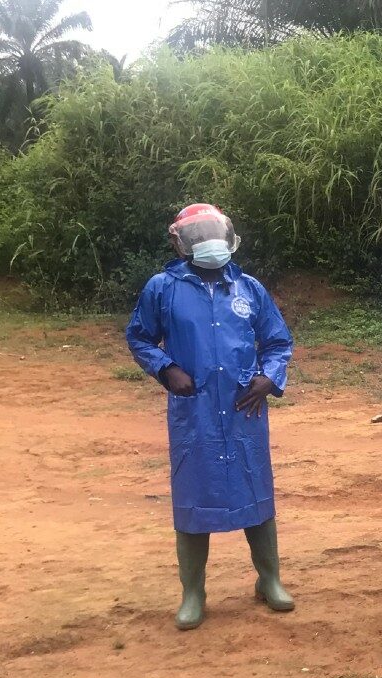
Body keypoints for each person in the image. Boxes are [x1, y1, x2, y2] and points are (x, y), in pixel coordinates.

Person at [126, 204, 295, 630]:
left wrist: (268, 379)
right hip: (194, 411)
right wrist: (166, 368)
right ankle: (193, 592)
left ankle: (269, 579)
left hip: (244, 410)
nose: (209, 241)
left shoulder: (249, 288)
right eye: (198, 233)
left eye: (213, 231)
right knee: (193, 501)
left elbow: (277, 341)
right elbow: (140, 337)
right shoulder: (162, 288)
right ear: (180, 241)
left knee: (256, 492)